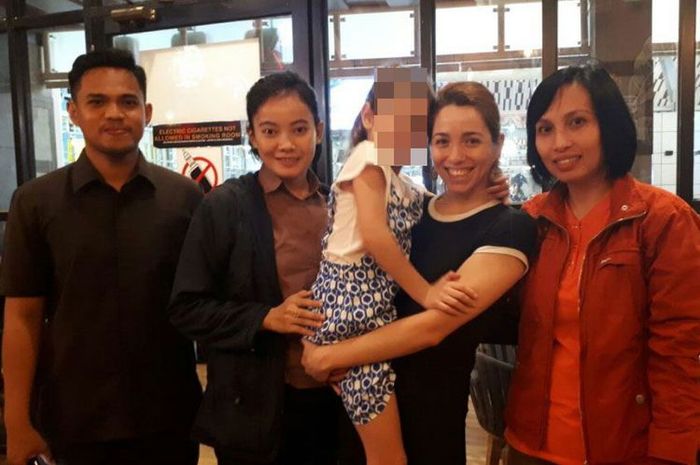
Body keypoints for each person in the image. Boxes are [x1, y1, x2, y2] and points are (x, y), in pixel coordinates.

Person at [302, 81, 537, 465]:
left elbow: (433, 327)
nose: (455, 155)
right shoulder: (415, 211)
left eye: (472, 141)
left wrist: (327, 357)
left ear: (497, 145)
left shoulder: (509, 227)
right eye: (442, 140)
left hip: (430, 418)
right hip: (365, 402)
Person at [0, 49, 202, 465]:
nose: (114, 114)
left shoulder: (184, 198)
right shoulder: (35, 202)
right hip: (73, 418)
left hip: (169, 415)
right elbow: (22, 316)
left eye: (128, 102)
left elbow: (204, 305)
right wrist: (16, 421)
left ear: (146, 112)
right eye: (97, 102)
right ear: (73, 112)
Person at [504, 64, 700, 465]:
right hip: (531, 444)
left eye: (577, 122)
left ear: (608, 125)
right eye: (545, 129)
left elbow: (679, 350)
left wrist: (673, 449)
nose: (560, 142)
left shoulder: (663, 219)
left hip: (625, 447)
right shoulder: (531, 221)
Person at [168, 71, 350, 465]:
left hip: (334, 400)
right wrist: (266, 318)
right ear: (251, 135)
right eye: (270, 131)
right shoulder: (225, 206)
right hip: (254, 409)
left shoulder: (339, 203)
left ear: (318, 131)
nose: (286, 144)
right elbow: (186, 308)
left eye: (299, 129)